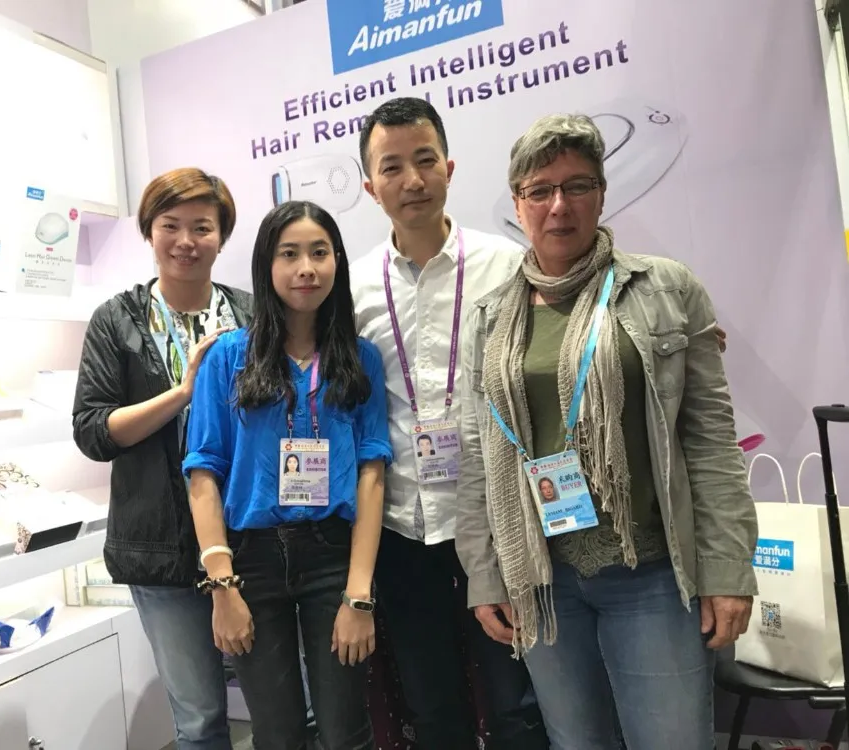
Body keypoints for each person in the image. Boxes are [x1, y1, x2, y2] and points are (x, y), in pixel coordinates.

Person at [456, 112, 758, 750]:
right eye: (540, 190)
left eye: (578, 185)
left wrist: (728, 569)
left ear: (601, 192)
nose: (559, 205)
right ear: (518, 202)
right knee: (576, 743)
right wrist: (485, 576)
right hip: (543, 580)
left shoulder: (666, 289)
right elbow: (479, 457)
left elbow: (709, 441)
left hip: (651, 573)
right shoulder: (489, 318)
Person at [351, 96, 548, 750]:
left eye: (425, 160)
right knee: (434, 711)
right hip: (405, 529)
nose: (412, 180)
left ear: (450, 167)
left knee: (518, 706)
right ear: (370, 186)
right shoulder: (352, 288)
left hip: (497, 520)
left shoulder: (508, 264)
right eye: (392, 167)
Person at [184, 200, 393, 750]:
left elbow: (372, 475)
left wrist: (359, 595)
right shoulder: (229, 357)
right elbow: (203, 474)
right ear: (266, 265)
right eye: (290, 254)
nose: (306, 269)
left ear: (337, 262)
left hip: (333, 556)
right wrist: (222, 587)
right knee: (276, 735)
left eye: (319, 253)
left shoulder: (361, 359)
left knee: (345, 731)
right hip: (250, 561)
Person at [72, 167, 251, 750]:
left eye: (203, 227)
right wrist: (183, 392)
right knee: (199, 719)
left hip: (252, 539)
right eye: (170, 225)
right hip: (159, 547)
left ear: (222, 236)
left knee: (284, 706)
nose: (186, 241)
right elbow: (93, 431)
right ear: (149, 231)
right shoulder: (116, 320)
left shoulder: (252, 316)